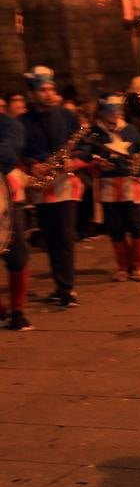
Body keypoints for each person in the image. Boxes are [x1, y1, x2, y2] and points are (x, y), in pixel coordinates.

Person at [20, 66, 84, 308]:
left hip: (66, 183)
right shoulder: (24, 121)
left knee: (65, 236)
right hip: (42, 186)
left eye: (50, 89)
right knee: (51, 237)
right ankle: (60, 286)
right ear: (32, 93)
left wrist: (74, 157)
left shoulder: (67, 116)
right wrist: (32, 163)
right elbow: (22, 149)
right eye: (42, 90)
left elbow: (83, 143)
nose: (47, 94)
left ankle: (68, 288)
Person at [77, 93, 140, 281]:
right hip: (108, 186)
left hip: (132, 185)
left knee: (136, 225)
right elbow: (85, 156)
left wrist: (138, 162)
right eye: (110, 110)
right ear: (101, 111)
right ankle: (123, 267)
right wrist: (97, 164)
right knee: (115, 227)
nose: (115, 113)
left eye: (117, 109)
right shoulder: (94, 133)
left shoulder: (131, 130)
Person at [0, 107, 31, 329]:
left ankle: (18, 310)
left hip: (7, 198)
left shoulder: (9, 124)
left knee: (16, 254)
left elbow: (8, 154)